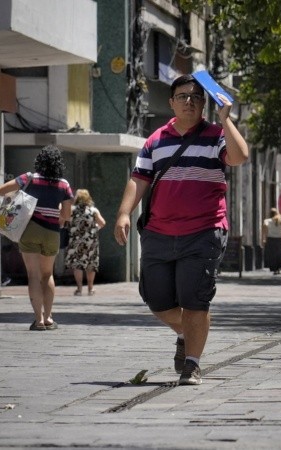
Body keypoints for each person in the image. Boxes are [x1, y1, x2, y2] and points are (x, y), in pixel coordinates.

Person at [114, 74, 249, 385]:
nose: (190, 101)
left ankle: (192, 363)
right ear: (171, 102)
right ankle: (186, 334)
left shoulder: (216, 136)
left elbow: (240, 156)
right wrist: (123, 213)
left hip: (204, 232)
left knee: (195, 301)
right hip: (159, 233)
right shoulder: (155, 141)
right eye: (183, 96)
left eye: (196, 97)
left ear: (204, 103)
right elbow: (139, 180)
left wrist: (226, 119)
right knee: (157, 301)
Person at [0, 145, 73, 331]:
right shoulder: (64, 184)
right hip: (52, 232)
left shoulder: (29, 177)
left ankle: (38, 320)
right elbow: (67, 215)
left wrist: (17, 196)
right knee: (47, 274)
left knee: (33, 275)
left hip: (29, 229)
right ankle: (48, 318)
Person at [65, 189, 106, 296]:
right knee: (91, 264)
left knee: (78, 264)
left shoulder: (72, 210)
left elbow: (65, 220)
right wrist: (94, 228)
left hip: (76, 240)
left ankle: (79, 289)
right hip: (91, 241)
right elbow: (102, 223)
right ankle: (90, 288)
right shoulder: (93, 210)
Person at [260, 208, 281, 275]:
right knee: (279, 254)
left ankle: (273, 268)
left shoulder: (267, 221)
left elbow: (264, 228)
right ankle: (279, 268)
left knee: (272, 254)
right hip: (279, 239)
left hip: (270, 239)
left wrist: (263, 238)